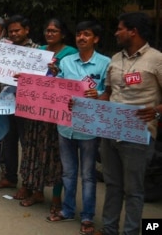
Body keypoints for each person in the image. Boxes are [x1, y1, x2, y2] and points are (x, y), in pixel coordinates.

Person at [97, 12, 162, 235]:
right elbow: (107, 92)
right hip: (110, 133)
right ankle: (109, 229)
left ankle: (131, 232)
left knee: (133, 190)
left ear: (133, 31)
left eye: (119, 28)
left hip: (138, 135)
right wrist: (88, 103)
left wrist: (156, 112)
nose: (116, 32)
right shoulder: (115, 59)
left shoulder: (156, 59)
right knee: (112, 186)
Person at [45, 21, 109, 235]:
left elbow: (110, 93)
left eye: (87, 34)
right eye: (79, 34)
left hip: (89, 128)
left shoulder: (105, 63)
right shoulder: (66, 62)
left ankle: (88, 216)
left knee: (88, 174)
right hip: (65, 125)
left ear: (96, 39)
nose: (81, 38)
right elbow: (58, 87)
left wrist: (98, 96)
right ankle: (68, 210)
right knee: (69, 172)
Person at [18, 18, 76, 209]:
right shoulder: (39, 52)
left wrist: (57, 72)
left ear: (63, 34)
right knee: (34, 151)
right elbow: (31, 76)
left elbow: (72, 81)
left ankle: (57, 197)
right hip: (36, 110)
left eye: (54, 31)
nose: (49, 34)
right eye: (47, 30)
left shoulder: (70, 54)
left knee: (55, 155)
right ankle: (37, 192)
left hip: (57, 113)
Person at [0, 15, 40, 192]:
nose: (14, 34)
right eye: (11, 31)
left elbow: (44, 79)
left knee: (28, 144)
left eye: (17, 30)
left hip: (28, 105)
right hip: (7, 102)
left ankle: (28, 182)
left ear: (27, 30)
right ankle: (10, 177)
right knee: (9, 142)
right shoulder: (5, 50)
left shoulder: (38, 51)